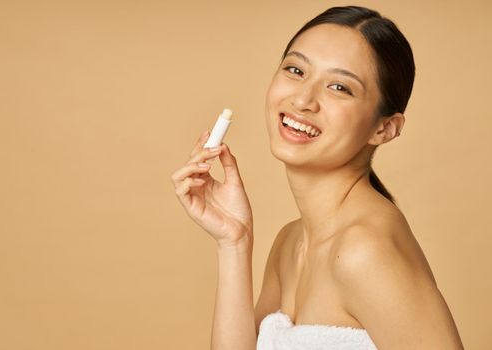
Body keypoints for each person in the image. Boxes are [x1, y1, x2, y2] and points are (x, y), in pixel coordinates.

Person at [171, 5, 464, 350]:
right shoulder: (291, 241)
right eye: (295, 70)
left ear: (385, 128)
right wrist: (233, 243)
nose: (303, 99)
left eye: (339, 87)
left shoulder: (364, 250)